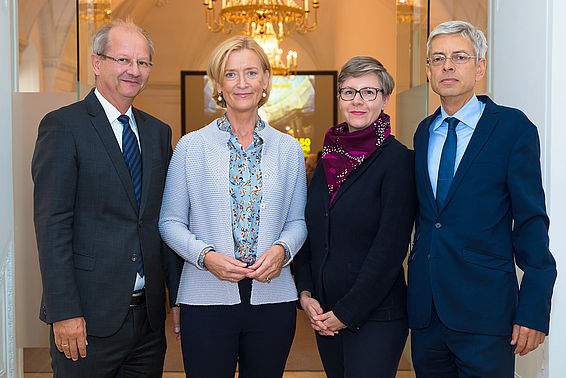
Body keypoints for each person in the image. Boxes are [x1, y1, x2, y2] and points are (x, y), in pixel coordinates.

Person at [32, 19, 182, 376]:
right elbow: (52, 225)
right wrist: (64, 311)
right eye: (123, 60)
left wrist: (175, 298)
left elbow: (163, 221)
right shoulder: (63, 126)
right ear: (97, 63)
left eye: (143, 62)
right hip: (85, 319)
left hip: (147, 322)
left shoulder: (158, 132)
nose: (134, 70)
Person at [408, 20, 557, 377]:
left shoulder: (512, 128)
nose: (448, 66)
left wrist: (534, 308)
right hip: (427, 313)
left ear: (480, 67)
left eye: (459, 57)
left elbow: (531, 220)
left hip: (486, 313)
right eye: (438, 58)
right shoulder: (423, 132)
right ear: (428, 70)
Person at [158, 36, 307, 378]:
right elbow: (170, 221)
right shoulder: (190, 147)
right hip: (205, 297)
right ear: (217, 84)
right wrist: (205, 256)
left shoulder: (289, 149)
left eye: (251, 72)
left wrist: (283, 250)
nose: (242, 83)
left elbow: (298, 221)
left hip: (273, 298)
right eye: (231, 74)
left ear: (266, 80)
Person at [293, 56, 417, 378]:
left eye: (368, 92)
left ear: (385, 99)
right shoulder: (327, 159)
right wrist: (305, 293)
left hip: (375, 315)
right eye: (349, 92)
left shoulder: (398, 160)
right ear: (339, 98)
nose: (357, 101)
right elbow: (312, 229)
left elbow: (389, 250)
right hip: (324, 310)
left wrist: (346, 313)